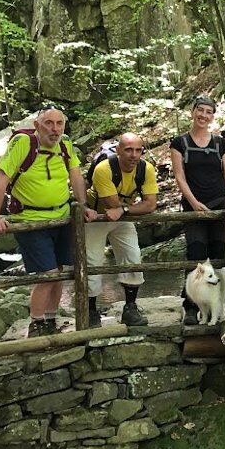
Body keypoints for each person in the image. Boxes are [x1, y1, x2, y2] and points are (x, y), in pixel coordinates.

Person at [0, 106, 97, 337]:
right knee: (48, 274)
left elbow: (75, 174)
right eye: (49, 123)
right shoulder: (23, 144)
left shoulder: (65, 145)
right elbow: (2, 179)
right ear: (37, 126)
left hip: (62, 218)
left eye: (59, 123)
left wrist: (83, 205)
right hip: (30, 219)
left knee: (60, 271)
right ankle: (36, 324)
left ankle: (50, 319)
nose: (54, 129)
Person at [169, 96, 225, 324]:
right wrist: (194, 202)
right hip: (193, 207)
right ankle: (190, 305)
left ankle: (218, 305)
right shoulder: (180, 143)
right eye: (200, 110)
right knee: (195, 256)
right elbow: (180, 177)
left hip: (218, 207)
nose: (203, 115)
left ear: (213, 116)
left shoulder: (220, 144)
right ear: (193, 112)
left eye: (208, 112)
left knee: (218, 257)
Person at [84, 133, 155, 327]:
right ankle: (90, 311)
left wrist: (124, 209)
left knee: (133, 257)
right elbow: (110, 205)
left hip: (123, 216)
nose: (134, 155)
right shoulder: (103, 169)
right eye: (128, 150)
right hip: (95, 218)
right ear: (118, 151)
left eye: (138, 150)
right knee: (92, 262)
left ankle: (130, 308)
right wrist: (124, 207)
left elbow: (150, 204)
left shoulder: (145, 169)